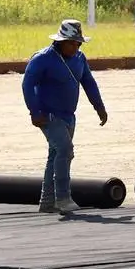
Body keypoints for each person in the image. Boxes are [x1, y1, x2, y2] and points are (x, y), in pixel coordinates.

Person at [21, 19, 109, 215]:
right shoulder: (42, 59)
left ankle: (46, 202)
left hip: (69, 116)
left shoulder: (79, 58)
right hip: (48, 116)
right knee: (65, 150)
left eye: (78, 43)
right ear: (61, 41)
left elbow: (89, 83)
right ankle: (63, 198)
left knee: (55, 155)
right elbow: (27, 85)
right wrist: (34, 112)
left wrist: (99, 107)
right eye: (71, 43)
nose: (75, 47)